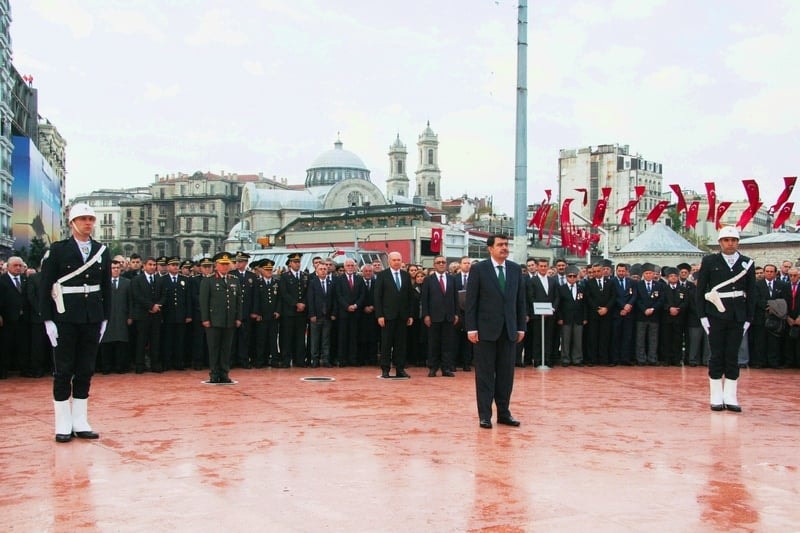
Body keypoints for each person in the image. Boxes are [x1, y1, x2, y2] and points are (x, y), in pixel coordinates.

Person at [39, 203, 111, 443]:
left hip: (92, 317)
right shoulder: (58, 250)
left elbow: (106, 287)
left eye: (91, 219)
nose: (88, 223)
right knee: (63, 370)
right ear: (72, 223)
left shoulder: (101, 250)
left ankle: (80, 420)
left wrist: (105, 317)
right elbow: (45, 286)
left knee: (85, 369)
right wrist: (47, 319)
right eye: (82, 219)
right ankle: (63, 422)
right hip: (65, 317)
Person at [465, 234, 527, 429]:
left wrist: (520, 327)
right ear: (490, 248)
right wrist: (471, 328)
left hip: (508, 330)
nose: (504, 248)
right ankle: (485, 415)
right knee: (484, 374)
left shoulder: (515, 270)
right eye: (500, 245)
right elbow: (471, 301)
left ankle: (504, 413)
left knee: (506, 375)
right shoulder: (479, 269)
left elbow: (520, 301)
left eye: (506, 245)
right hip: (485, 331)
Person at [695, 226, 755, 412]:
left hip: (737, 315)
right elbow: (701, 291)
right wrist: (703, 315)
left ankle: (730, 396)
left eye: (734, 240)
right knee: (716, 354)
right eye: (726, 240)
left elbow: (751, 293)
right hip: (715, 314)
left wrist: (748, 318)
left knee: (732, 355)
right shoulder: (710, 261)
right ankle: (716, 395)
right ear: (720, 242)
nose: (730, 243)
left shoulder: (747, 263)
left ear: (738, 242)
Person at [200, 252, 243, 383]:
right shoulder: (209, 280)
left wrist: (238, 318)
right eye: (222, 264)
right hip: (214, 320)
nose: (225, 267)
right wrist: (205, 319)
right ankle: (214, 373)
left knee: (226, 348)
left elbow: (238, 301)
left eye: (227, 264)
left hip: (229, 320)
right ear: (216, 265)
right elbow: (204, 301)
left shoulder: (233, 280)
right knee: (214, 348)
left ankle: (224, 373)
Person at [373, 251, 415, 378]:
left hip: (402, 316)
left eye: (399, 260)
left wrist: (410, 315)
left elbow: (410, 297)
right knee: (386, 344)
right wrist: (379, 315)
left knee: (401, 344)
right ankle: (385, 369)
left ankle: (400, 369)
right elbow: (377, 297)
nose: (397, 262)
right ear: (389, 261)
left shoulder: (406, 275)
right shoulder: (382, 275)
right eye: (394, 260)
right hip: (387, 316)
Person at [421, 255, 459, 377]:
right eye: (438, 262)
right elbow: (424, 299)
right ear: (434, 265)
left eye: (443, 262)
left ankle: (446, 368)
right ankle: (433, 368)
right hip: (433, 317)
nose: (441, 264)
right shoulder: (428, 280)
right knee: (433, 343)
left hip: (448, 316)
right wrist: (426, 315)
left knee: (447, 344)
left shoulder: (452, 279)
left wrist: (456, 314)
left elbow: (455, 298)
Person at [130, 257, 164, 373]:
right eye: (150, 264)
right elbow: (137, 296)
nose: (153, 267)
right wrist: (150, 306)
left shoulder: (159, 279)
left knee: (155, 340)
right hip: (142, 315)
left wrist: (158, 305)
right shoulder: (137, 280)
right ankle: (140, 364)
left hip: (156, 315)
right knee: (141, 340)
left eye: (154, 265)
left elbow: (164, 295)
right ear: (144, 266)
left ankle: (155, 364)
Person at [99, 259, 133, 374]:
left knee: (121, 342)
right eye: (113, 268)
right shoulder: (103, 283)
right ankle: (106, 367)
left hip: (122, 316)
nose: (116, 270)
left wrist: (130, 316)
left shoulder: (127, 283)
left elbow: (131, 301)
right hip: (106, 317)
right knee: (106, 342)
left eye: (118, 268)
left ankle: (120, 367)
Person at [0, 256, 30, 378]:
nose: (18, 268)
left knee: (23, 344)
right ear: (8, 267)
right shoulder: (1, 280)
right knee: (5, 345)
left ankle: (24, 369)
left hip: (24, 319)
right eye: (15, 265)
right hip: (7, 318)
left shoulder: (26, 280)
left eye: (20, 265)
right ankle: (3, 370)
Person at [334, 258, 365, 366]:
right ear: (344, 267)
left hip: (356, 313)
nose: (350, 267)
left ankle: (353, 359)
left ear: (355, 266)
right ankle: (342, 360)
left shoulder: (359, 279)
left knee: (354, 337)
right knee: (342, 337)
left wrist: (356, 305)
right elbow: (338, 295)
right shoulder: (338, 279)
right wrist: (347, 306)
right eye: (348, 266)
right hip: (343, 313)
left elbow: (362, 294)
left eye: (352, 265)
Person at [306, 262, 335, 368]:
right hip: (316, 316)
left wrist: (333, 313)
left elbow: (333, 299)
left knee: (326, 339)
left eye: (325, 269)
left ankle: (326, 359)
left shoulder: (331, 283)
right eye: (321, 269)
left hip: (327, 316)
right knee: (315, 339)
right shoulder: (313, 283)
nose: (323, 271)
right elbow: (310, 299)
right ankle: (315, 359)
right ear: (317, 271)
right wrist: (312, 314)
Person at [556, 266, 586, 366]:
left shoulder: (581, 288)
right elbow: (559, 304)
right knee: (565, 339)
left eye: (574, 276)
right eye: (570, 276)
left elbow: (584, 305)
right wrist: (560, 317)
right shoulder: (561, 289)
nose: (572, 278)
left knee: (578, 340)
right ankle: (565, 359)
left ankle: (577, 359)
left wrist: (585, 317)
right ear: (566, 277)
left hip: (578, 317)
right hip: (566, 318)